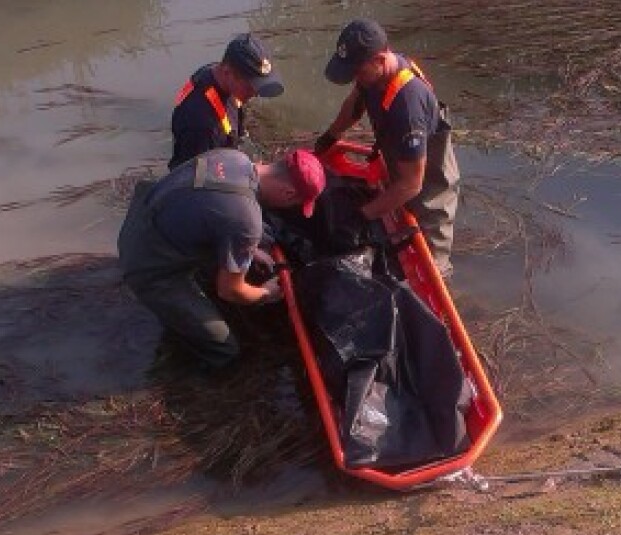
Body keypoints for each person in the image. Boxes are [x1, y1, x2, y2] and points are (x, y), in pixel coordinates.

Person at [118, 148, 325, 371]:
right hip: (147, 264)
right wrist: (268, 293)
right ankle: (178, 366)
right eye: (295, 204)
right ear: (288, 194)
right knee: (224, 349)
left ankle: (183, 316)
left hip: (142, 218)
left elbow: (211, 207)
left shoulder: (233, 157)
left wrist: (249, 249)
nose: (290, 208)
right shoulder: (246, 223)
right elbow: (230, 291)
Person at [313, 18, 460, 278]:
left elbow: (411, 185)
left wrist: (362, 216)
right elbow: (355, 103)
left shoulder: (408, 106)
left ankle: (442, 294)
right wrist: (331, 135)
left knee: (429, 269)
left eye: (357, 72)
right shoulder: (374, 75)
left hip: (427, 192)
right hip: (402, 167)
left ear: (380, 60)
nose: (355, 78)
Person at [169, 33, 284, 170]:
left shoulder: (215, 73)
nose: (256, 93)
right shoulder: (202, 124)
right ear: (227, 72)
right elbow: (196, 180)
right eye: (250, 87)